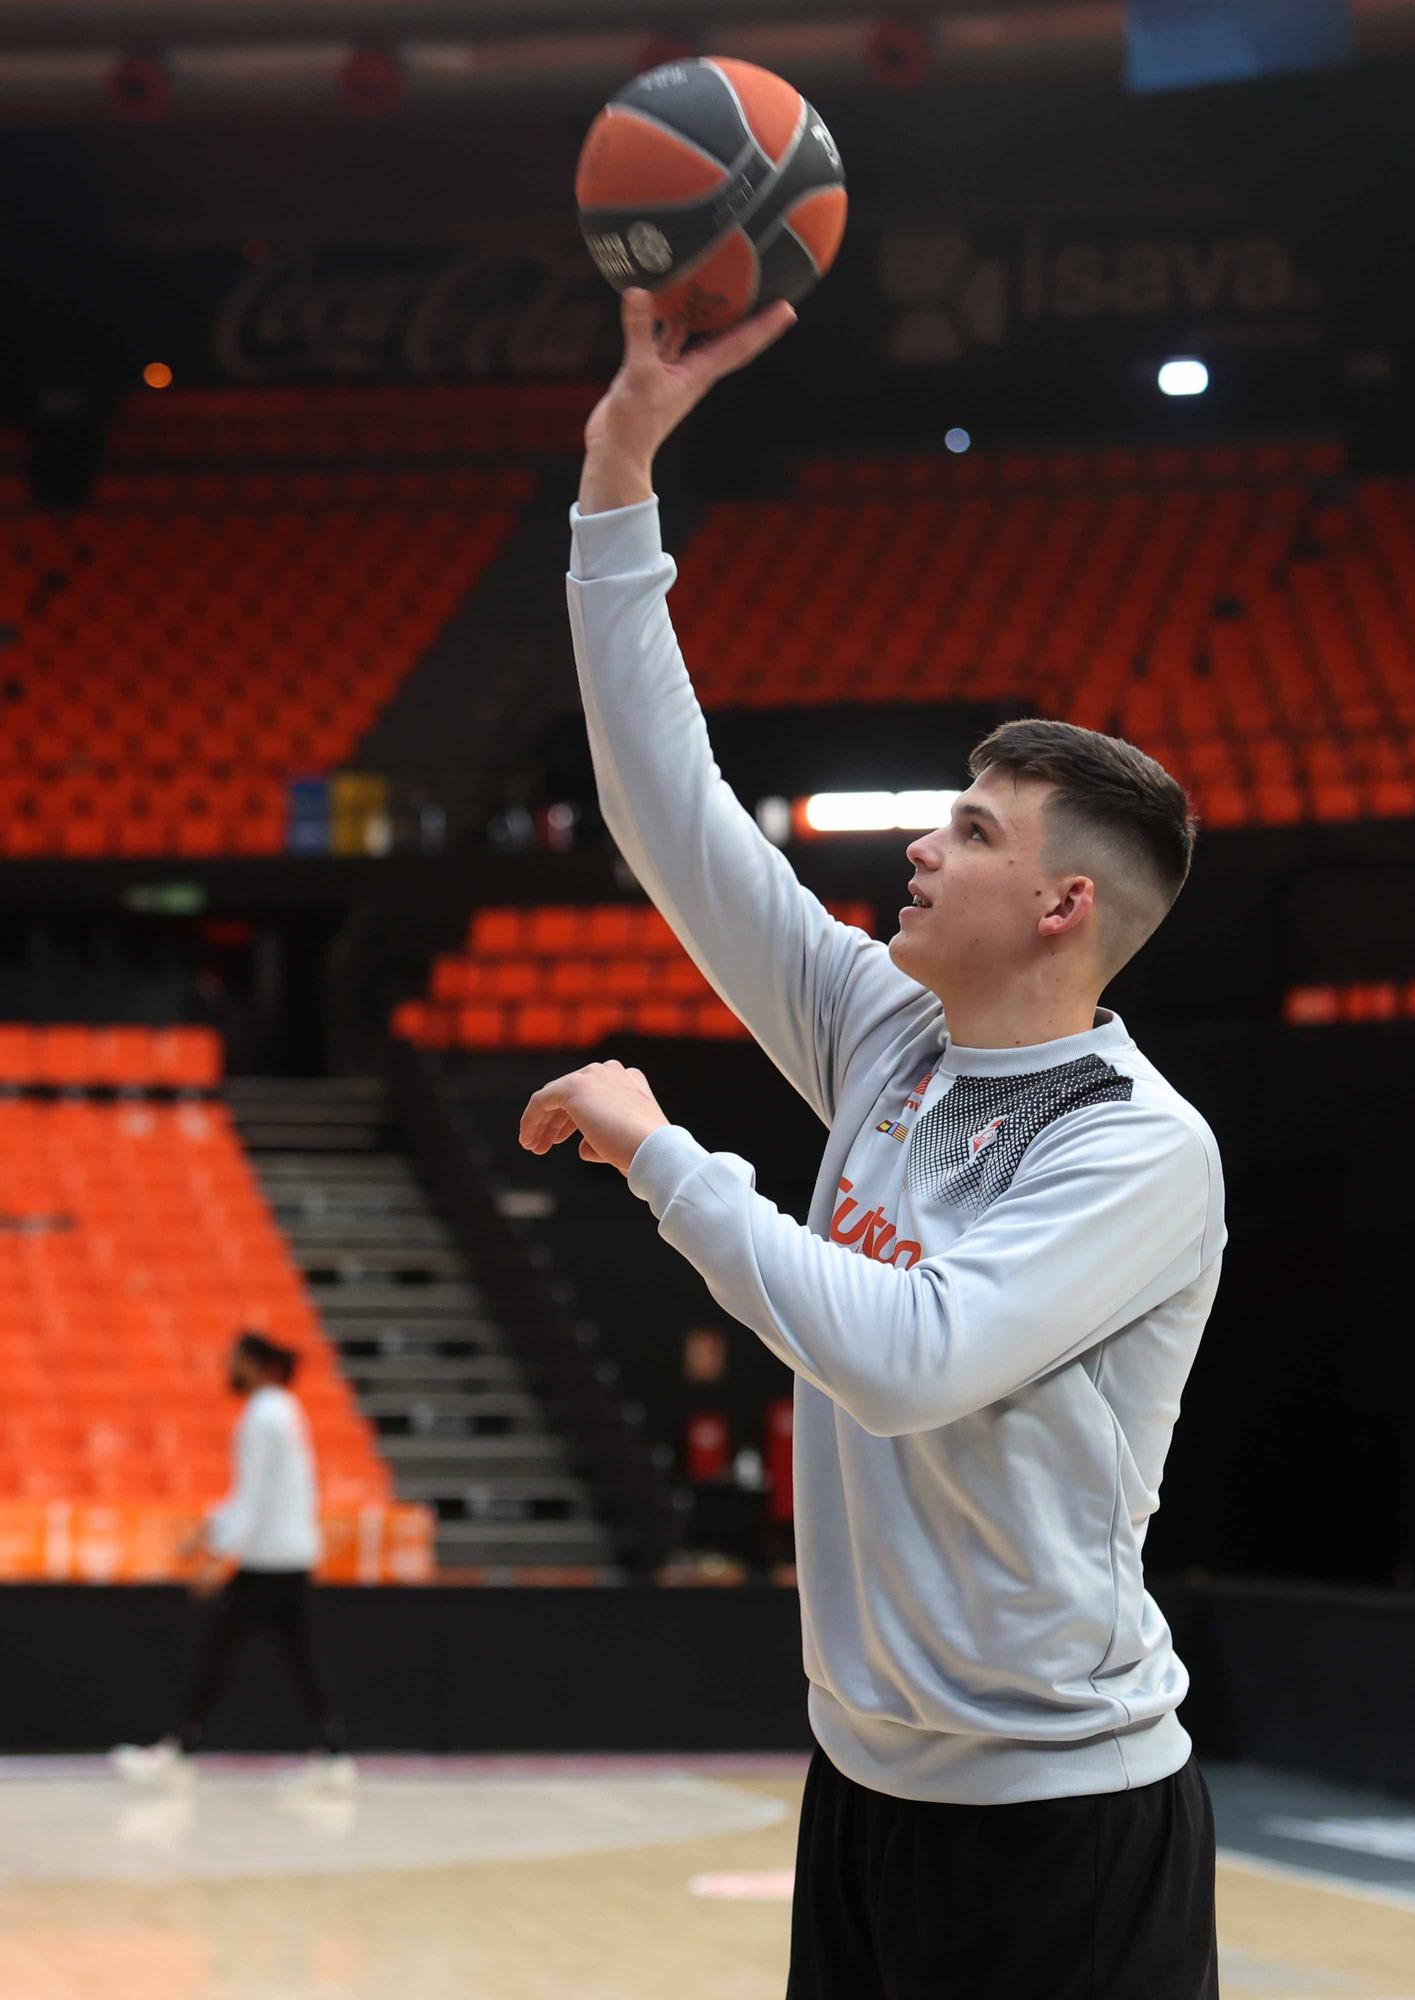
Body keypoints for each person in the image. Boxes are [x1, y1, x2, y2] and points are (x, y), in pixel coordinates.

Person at [518, 288, 1226, 1997]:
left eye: (968, 830)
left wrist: (665, 1160)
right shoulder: (885, 1028)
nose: (923, 845)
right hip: (864, 1789)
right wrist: (620, 470)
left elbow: (913, 1361)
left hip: (1064, 1827)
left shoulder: (1137, 1150)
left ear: (1063, 904)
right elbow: (665, 810)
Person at [112, 1330, 353, 1789]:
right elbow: (256, 1497)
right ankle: (335, 1752)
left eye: (237, 1361)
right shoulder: (284, 1411)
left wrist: (216, 1555)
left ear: (258, 1366)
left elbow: (255, 1498)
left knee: (222, 1654)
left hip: (268, 1561)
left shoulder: (262, 1418)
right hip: (289, 1554)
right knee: (298, 1658)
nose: (229, 1369)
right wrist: (209, 1530)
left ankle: (178, 1748)